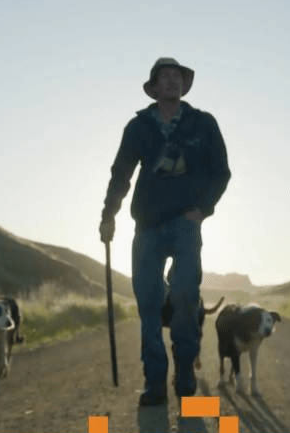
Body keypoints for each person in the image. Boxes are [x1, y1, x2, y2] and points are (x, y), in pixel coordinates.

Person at [99, 57, 231, 406]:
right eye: (165, 76)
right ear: (154, 87)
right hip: (147, 226)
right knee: (149, 305)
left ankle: (185, 371)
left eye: (178, 76)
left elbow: (221, 172)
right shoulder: (138, 126)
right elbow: (121, 173)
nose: (173, 81)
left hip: (186, 226)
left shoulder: (203, 123)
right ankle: (154, 381)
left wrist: (202, 210)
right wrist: (109, 215)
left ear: (184, 85)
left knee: (186, 298)